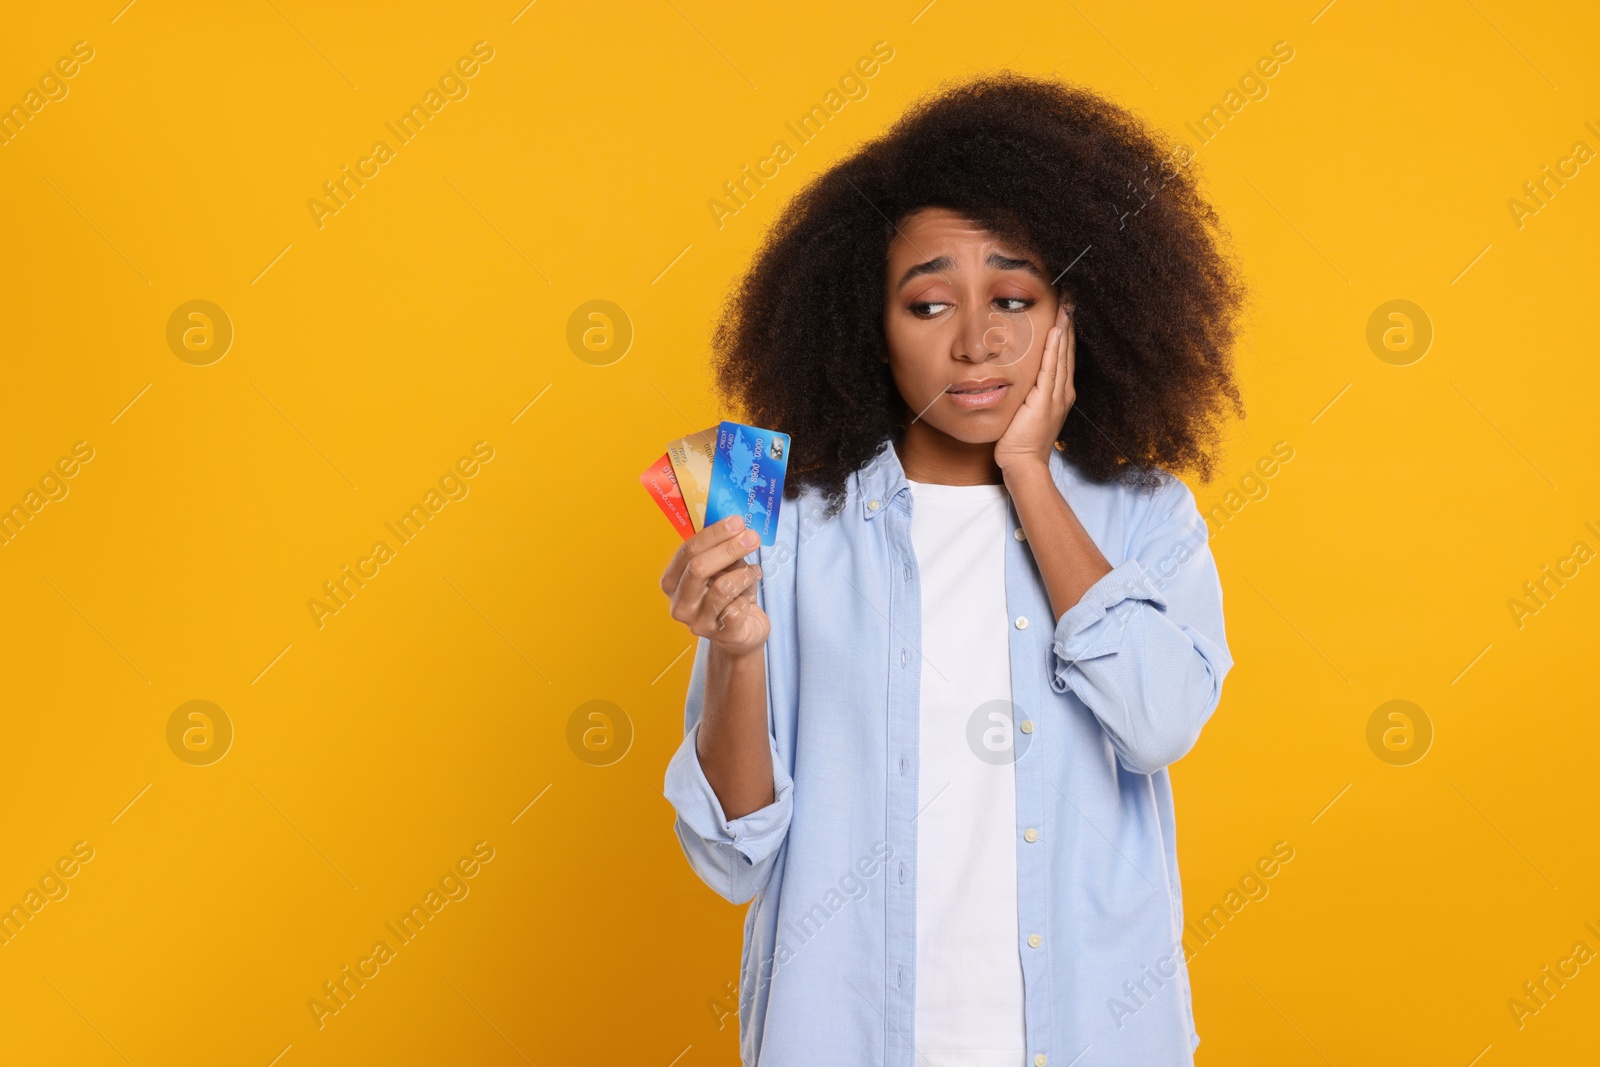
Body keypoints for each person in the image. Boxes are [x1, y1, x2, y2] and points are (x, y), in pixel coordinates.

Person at [660, 71, 1245, 1067]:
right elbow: (730, 854)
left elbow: (1159, 721)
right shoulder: (789, 525)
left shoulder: (1145, 517)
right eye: (928, 304)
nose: (976, 341)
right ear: (868, 330)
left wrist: (1028, 471)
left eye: (1013, 297)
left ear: (1072, 313)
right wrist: (738, 650)